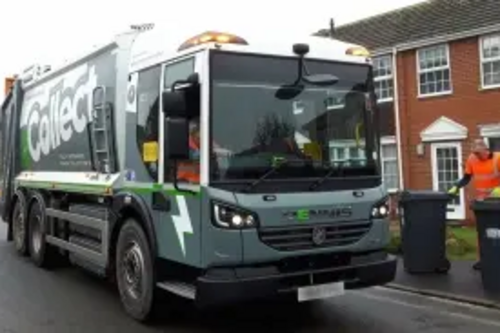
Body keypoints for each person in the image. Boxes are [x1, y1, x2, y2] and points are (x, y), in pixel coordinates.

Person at [448, 139, 500, 271]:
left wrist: (497, 190)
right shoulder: (472, 159)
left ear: (486, 149)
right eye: (474, 153)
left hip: (497, 202)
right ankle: (483, 260)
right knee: (481, 231)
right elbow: (467, 177)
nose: (476, 155)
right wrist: (456, 187)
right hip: (482, 202)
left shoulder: (497, 159)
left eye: (478, 153)